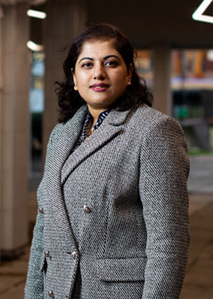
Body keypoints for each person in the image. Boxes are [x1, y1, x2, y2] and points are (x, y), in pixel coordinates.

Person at [25, 23, 190, 299]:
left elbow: (168, 242)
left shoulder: (154, 131)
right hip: (57, 289)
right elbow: (44, 228)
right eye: (87, 64)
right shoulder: (62, 134)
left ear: (128, 74)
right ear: (75, 79)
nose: (98, 73)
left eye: (110, 63)